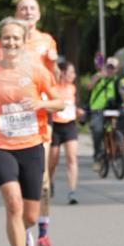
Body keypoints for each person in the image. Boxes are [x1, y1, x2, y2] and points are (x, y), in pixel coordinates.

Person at [0, 18, 64, 246]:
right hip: (0, 145)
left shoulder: (37, 70)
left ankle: (25, 231)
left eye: (15, 38)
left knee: (31, 215)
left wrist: (39, 103)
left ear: (24, 41)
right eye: (6, 38)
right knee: (13, 202)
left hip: (32, 146)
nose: (11, 42)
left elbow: (59, 102)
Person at [0, 0, 59, 246]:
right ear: (16, 13)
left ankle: (42, 232)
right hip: (14, 115)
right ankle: (23, 226)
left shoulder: (47, 40)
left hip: (41, 111)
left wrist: (52, 62)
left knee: (42, 179)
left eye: (32, 8)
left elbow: (51, 78)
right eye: (23, 8)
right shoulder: (7, 39)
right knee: (17, 181)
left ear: (39, 14)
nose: (28, 11)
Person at [49, 61, 83, 204]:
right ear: (62, 73)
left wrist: (78, 111)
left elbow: (73, 105)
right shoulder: (53, 88)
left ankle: (72, 192)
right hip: (55, 127)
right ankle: (49, 182)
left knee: (72, 158)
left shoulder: (73, 88)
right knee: (53, 161)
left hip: (69, 126)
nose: (74, 76)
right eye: (71, 72)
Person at [87, 56, 124, 168]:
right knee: (97, 130)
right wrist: (98, 76)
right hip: (98, 110)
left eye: (113, 68)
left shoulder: (118, 81)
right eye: (108, 67)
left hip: (113, 110)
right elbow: (89, 87)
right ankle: (97, 156)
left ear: (116, 70)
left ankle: (119, 144)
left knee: (122, 123)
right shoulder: (98, 78)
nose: (110, 70)